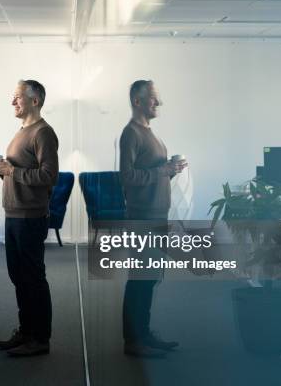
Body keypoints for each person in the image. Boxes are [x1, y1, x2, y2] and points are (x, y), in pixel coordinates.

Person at [0, 79, 59, 356]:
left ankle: (40, 339)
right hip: (14, 213)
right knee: (19, 276)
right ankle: (26, 331)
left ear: (35, 100)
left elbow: (48, 176)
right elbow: (18, 171)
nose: (12, 101)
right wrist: (1, 170)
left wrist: (10, 171)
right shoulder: (22, 131)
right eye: (13, 97)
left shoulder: (43, 133)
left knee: (33, 278)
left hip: (30, 216)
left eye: (17, 97)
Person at [119, 80, 187, 358]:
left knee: (150, 279)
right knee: (139, 278)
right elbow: (128, 177)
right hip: (142, 218)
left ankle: (144, 334)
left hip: (158, 215)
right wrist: (163, 171)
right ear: (137, 100)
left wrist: (171, 171)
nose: (158, 104)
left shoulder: (152, 134)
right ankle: (133, 341)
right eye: (153, 99)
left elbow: (154, 173)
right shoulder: (131, 134)